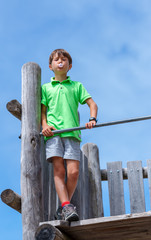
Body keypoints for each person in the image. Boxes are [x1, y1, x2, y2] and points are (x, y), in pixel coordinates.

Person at [41, 49, 98, 221]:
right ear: (50, 66)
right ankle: (67, 206)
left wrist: (92, 119)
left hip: (72, 133)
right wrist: (44, 125)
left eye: (64, 59)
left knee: (73, 173)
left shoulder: (76, 86)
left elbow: (92, 104)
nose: (60, 61)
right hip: (54, 134)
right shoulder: (45, 88)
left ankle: (64, 206)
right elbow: (42, 112)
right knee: (59, 170)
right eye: (56, 60)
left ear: (69, 65)